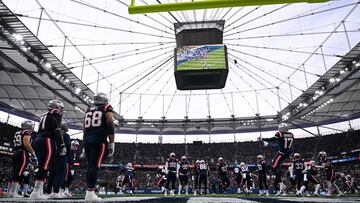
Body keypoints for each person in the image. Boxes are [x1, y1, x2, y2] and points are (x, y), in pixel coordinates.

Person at [30, 100, 66, 199]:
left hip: (38, 139)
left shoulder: (44, 115)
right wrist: (61, 145)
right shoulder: (55, 113)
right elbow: (57, 130)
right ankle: (36, 192)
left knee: (42, 165)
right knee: (44, 166)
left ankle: (38, 191)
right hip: (47, 140)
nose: (61, 111)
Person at [83, 92, 115, 201]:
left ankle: (89, 192)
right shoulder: (106, 107)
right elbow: (110, 122)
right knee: (95, 166)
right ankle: (90, 193)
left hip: (87, 139)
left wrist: (84, 142)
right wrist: (111, 142)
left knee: (91, 166)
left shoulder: (88, 109)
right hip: (99, 140)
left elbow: (84, 127)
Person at [262, 123, 294, 196]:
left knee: (273, 168)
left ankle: (282, 184)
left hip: (281, 154)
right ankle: (281, 184)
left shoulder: (279, 134)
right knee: (275, 167)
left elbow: (273, 139)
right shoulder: (291, 134)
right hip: (288, 153)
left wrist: (263, 139)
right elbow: (280, 143)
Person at [7, 120, 35, 198]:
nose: (32, 128)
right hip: (22, 153)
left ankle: (9, 192)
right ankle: (13, 193)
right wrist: (33, 152)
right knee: (18, 173)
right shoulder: (26, 132)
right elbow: (26, 145)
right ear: (28, 126)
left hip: (15, 153)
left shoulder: (17, 132)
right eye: (31, 126)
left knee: (14, 172)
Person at [45, 124, 69, 198]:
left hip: (53, 155)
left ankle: (48, 192)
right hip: (61, 156)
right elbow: (68, 146)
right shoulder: (65, 135)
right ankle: (55, 191)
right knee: (60, 174)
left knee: (52, 174)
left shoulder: (53, 133)